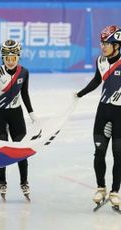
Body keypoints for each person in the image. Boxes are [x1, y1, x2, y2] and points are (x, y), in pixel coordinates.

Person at [0, 39, 37, 200]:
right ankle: (2, 181)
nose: (10, 62)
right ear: (2, 58)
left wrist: (32, 116)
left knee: (21, 150)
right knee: (2, 149)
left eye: (14, 58)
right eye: (7, 59)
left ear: (18, 57)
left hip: (16, 115)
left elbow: (25, 95)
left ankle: (24, 181)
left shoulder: (24, 73)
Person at [75, 25, 121, 208]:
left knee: (118, 154)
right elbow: (96, 80)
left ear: (117, 45)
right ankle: (101, 188)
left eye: (107, 43)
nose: (103, 46)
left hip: (120, 114)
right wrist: (80, 94)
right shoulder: (100, 61)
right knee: (99, 151)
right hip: (103, 111)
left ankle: (115, 191)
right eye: (102, 43)